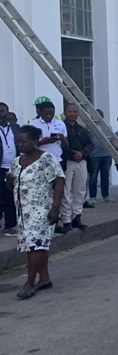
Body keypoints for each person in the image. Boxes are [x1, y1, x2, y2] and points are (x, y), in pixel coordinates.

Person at [6, 126, 65, 299]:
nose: (21, 145)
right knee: (30, 247)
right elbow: (12, 187)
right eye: (19, 142)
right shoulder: (16, 162)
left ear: (35, 141)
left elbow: (59, 182)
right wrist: (9, 182)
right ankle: (44, 278)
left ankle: (30, 282)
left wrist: (55, 208)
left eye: (25, 141)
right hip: (23, 213)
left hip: (42, 210)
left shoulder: (46, 159)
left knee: (37, 246)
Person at [58, 103, 93, 232]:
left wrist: (82, 153)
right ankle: (66, 219)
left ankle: (76, 217)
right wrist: (73, 154)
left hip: (81, 161)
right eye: (69, 111)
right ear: (65, 113)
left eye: (74, 111)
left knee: (80, 190)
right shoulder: (61, 127)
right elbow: (60, 145)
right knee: (65, 191)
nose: (72, 114)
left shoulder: (82, 129)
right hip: (67, 161)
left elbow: (90, 144)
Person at [29, 97, 67, 163]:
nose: (49, 116)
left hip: (57, 160)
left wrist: (62, 139)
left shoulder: (60, 123)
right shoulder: (33, 124)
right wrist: (43, 142)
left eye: (52, 114)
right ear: (39, 112)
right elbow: (29, 145)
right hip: (39, 161)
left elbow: (66, 146)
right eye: (46, 114)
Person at [87, 108, 113, 205]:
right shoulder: (89, 127)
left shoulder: (107, 126)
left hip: (107, 155)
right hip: (94, 155)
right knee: (93, 177)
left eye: (100, 114)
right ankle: (93, 197)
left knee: (105, 176)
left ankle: (105, 196)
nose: (99, 116)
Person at [1, 102, 19, 236]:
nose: (0, 113)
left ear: (7, 112)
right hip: (0, 167)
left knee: (11, 197)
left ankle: (10, 225)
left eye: (2, 111)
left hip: (13, 167)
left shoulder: (15, 127)